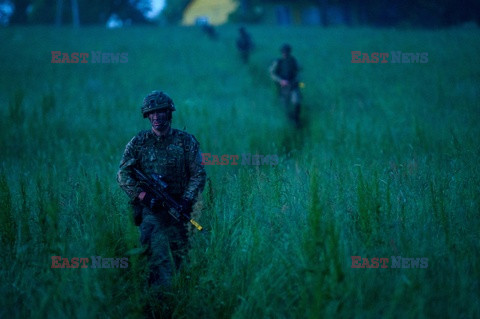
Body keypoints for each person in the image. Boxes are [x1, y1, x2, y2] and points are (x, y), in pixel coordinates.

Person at [117, 91, 206, 292]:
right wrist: (143, 196)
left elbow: (199, 174)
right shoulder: (139, 142)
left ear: (169, 113)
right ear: (147, 116)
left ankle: (176, 297)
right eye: (152, 113)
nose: (156, 117)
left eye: (160, 112)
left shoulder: (186, 141)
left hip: (180, 209)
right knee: (157, 257)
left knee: (182, 258)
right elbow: (123, 174)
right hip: (151, 211)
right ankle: (159, 300)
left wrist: (186, 200)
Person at [269, 44, 301, 127]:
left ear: (290, 52)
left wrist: (297, 80)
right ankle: (290, 121)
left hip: (293, 85)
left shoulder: (293, 60)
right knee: (285, 107)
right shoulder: (278, 62)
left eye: (287, 52)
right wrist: (280, 81)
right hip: (282, 87)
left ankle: (297, 120)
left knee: (296, 102)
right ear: (281, 52)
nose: (285, 53)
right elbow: (272, 73)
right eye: (283, 52)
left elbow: (298, 71)